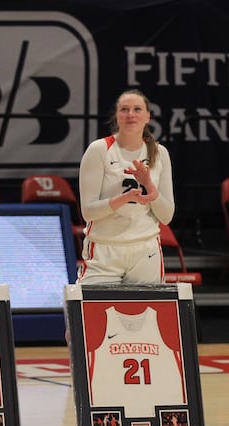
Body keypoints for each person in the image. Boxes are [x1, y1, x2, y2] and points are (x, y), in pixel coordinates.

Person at [76, 89, 175, 284]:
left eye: (137, 109)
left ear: (148, 116)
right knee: (93, 312)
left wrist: (151, 189)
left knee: (146, 314)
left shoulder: (159, 153)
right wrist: (124, 198)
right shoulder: (99, 149)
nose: (130, 114)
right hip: (105, 248)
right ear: (116, 115)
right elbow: (88, 212)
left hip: (146, 249)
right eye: (124, 109)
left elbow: (166, 216)